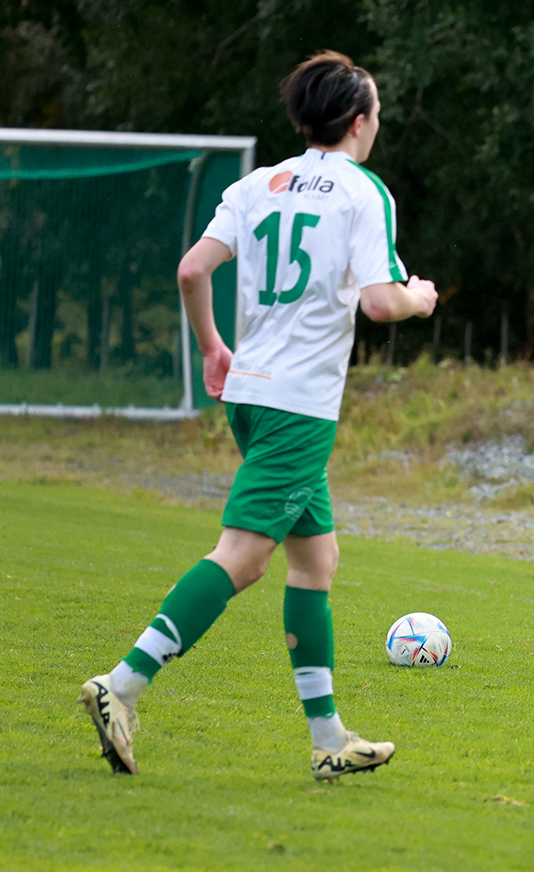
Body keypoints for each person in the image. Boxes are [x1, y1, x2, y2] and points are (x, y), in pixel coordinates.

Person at [77, 51, 438, 781]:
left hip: (250, 391)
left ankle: (330, 736)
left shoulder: (254, 185)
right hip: (299, 404)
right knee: (242, 558)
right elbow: (377, 301)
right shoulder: (363, 191)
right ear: (360, 121)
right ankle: (120, 685)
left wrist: (213, 346)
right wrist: (419, 297)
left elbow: (191, 269)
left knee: (317, 560)